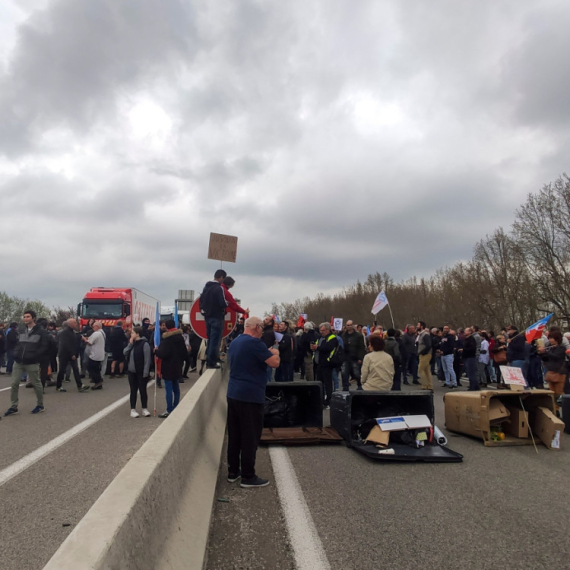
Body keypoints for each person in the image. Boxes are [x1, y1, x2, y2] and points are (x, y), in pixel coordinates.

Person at [226, 316, 279, 488]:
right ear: (256, 327)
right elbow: (274, 363)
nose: (263, 331)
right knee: (250, 436)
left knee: (235, 435)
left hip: (233, 393)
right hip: (250, 395)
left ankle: (233, 471)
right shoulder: (255, 343)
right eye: (262, 328)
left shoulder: (235, 341)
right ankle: (248, 476)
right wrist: (275, 352)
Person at [4, 310, 51, 416]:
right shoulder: (20, 329)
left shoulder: (41, 331)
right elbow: (17, 343)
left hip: (32, 361)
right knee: (14, 383)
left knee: (36, 383)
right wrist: (16, 352)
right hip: (19, 361)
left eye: (28, 316)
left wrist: (35, 355)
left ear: (33, 318)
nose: (26, 318)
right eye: (24, 316)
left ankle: (40, 405)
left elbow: (44, 346)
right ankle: (13, 406)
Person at [155, 319, 188, 418]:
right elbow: (185, 353)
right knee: (176, 387)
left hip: (168, 366)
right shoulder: (180, 338)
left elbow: (163, 354)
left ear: (167, 327)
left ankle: (169, 409)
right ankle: (176, 407)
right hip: (178, 365)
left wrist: (156, 351)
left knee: (168, 389)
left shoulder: (166, 339)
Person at [199, 269, 228, 369]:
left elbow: (201, 300)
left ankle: (210, 358)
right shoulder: (218, 289)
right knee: (215, 340)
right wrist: (226, 304)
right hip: (217, 316)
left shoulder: (206, 288)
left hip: (207, 317)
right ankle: (211, 362)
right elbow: (222, 303)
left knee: (210, 339)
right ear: (221, 277)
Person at [123, 326, 152, 418]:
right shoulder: (132, 344)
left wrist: (146, 372)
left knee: (143, 390)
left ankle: (144, 408)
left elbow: (147, 359)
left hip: (141, 371)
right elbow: (125, 352)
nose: (131, 334)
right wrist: (130, 344)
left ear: (137, 334)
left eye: (132, 333)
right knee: (133, 390)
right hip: (132, 372)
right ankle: (133, 409)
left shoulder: (145, 344)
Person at [56, 319, 91, 392]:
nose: (76, 324)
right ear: (69, 324)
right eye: (74, 323)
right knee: (62, 370)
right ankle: (58, 385)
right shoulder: (65, 332)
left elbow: (74, 341)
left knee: (75, 369)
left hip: (71, 353)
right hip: (64, 354)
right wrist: (72, 354)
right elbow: (66, 344)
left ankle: (80, 385)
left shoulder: (72, 332)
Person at [311, 322, 339, 409]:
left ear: (328, 330)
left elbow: (328, 348)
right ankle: (321, 400)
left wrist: (317, 348)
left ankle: (329, 401)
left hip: (327, 364)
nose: (321, 332)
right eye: (320, 330)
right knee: (319, 383)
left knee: (327, 383)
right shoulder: (320, 338)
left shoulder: (332, 338)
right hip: (318, 364)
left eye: (323, 330)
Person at [538, 330, 566, 408]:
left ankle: (563, 408)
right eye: (549, 338)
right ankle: (555, 409)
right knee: (552, 393)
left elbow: (556, 357)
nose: (550, 340)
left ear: (557, 338)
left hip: (559, 373)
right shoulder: (551, 348)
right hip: (551, 372)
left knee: (559, 392)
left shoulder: (561, 348)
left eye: (551, 338)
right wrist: (542, 354)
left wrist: (546, 352)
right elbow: (547, 359)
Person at [341, 320, 365, 391]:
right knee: (344, 373)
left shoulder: (358, 335)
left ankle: (359, 386)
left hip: (355, 357)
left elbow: (361, 347)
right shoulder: (343, 335)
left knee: (356, 373)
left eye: (350, 325)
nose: (349, 326)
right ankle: (345, 387)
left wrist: (360, 357)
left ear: (353, 325)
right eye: (348, 325)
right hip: (345, 357)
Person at [82, 321, 106, 390]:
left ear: (97, 327)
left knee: (91, 368)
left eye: (93, 326)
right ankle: (99, 380)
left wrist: (84, 339)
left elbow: (89, 342)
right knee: (97, 369)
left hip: (95, 354)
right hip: (100, 353)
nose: (92, 328)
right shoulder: (102, 333)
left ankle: (97, 381)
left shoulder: (97, 333)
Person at [416, 321, 433, 390]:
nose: (417, 326)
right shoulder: (421, 334)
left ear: (421, 326)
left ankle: (424, 385)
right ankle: (430, 385)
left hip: (425, 354)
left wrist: (423, 352)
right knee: (426, 370)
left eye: (418, 325)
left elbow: (428, 345)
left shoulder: (425, 335)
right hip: (424, 354)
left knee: (420, 369)